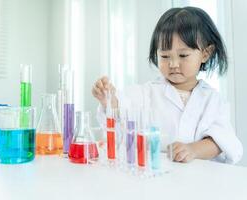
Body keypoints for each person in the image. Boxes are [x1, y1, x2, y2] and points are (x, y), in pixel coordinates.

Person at [92, 7, 243, 164]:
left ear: (205, 53)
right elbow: (122, 117)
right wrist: (108, 99)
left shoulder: (213, 100)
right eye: (164, 56)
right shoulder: (146, 93)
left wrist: (192, 150)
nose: (173, 64)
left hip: (199, 180)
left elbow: (221, 140)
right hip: (157, 176)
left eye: (183, 55)